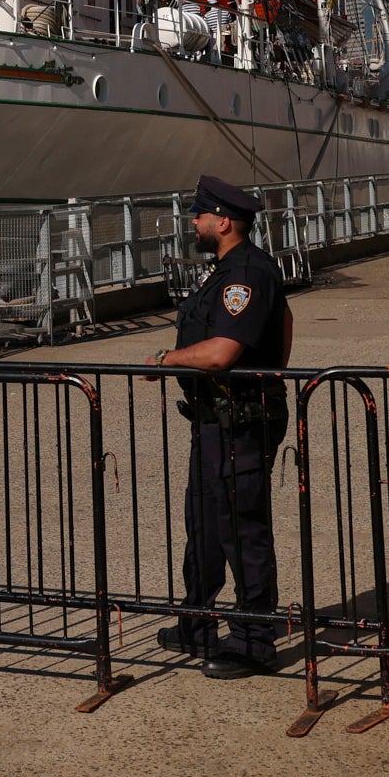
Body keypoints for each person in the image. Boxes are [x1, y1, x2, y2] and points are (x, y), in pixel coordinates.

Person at [148, 175, 293, 678]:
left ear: (223, 221)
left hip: (240, 423)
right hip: (215, 419)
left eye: (200, 215)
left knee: (240, 530)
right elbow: (286, 323)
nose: (194, 222)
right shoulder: (227, 270)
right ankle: (197, 623)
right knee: (204, 526)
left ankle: (255, 641)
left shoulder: (246, 272)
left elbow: (222, 352)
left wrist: (167, 360)